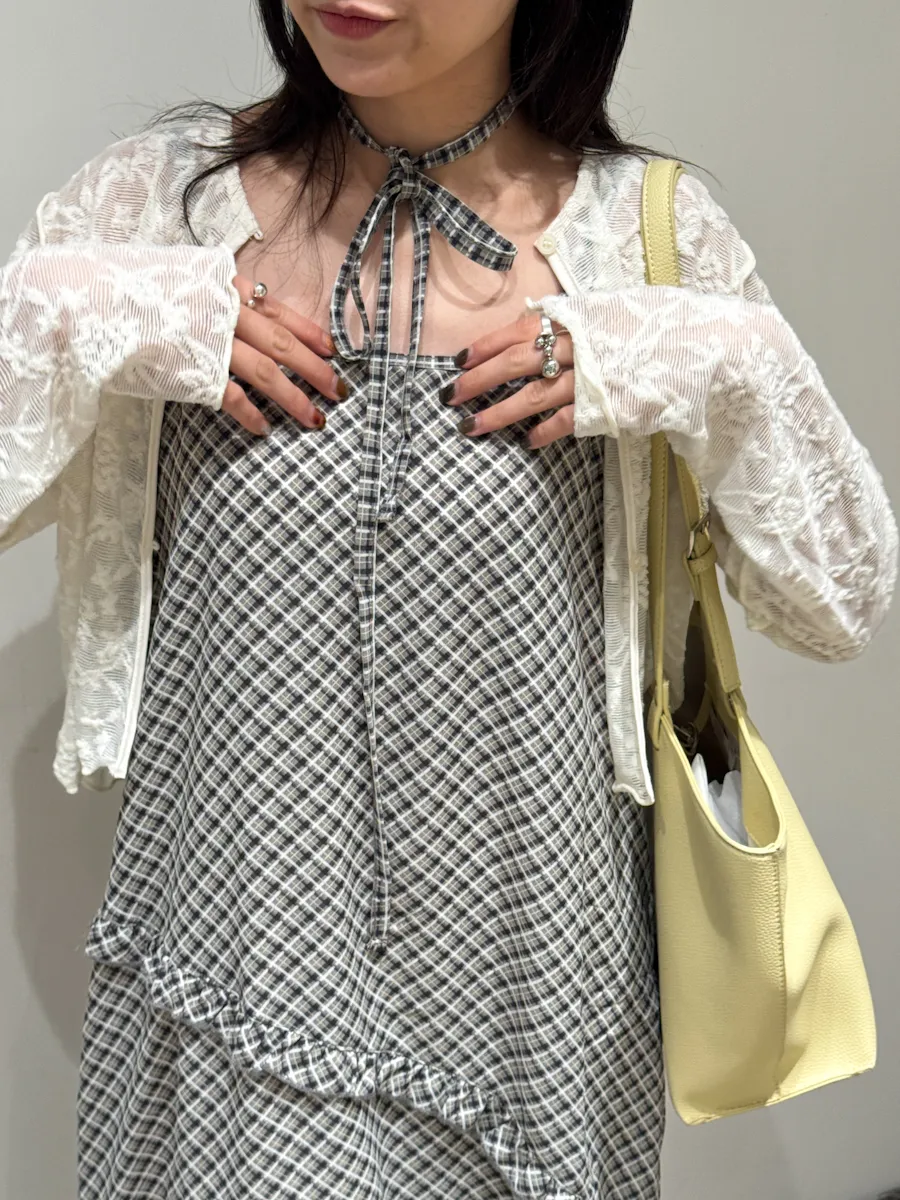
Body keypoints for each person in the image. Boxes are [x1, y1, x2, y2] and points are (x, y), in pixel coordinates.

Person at [1, 1, 896, 1197]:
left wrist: (719, 363)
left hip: (534, 988)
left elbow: (837, 603)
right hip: (243, 954)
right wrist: (84, 315)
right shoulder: (158, 210)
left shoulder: (643, 236)